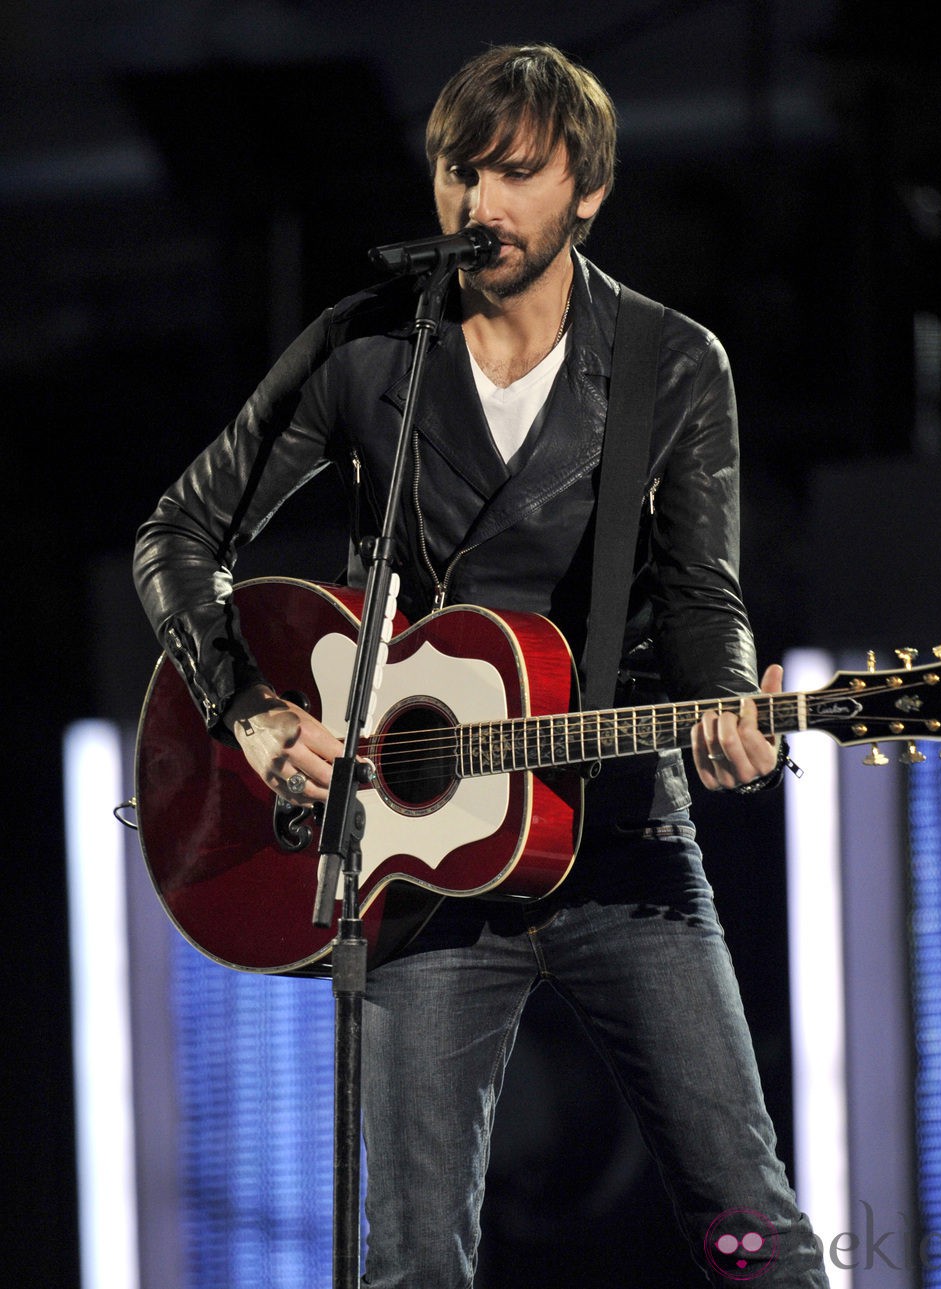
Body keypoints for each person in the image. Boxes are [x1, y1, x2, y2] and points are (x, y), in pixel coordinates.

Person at [134, 43, 829, 1288]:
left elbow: (698, 597)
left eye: (518, 173)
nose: (480, 206)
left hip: (616, 841)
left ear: (587, 191)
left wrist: (731, 708)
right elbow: (180, 532)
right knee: (409, 1261)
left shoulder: (671, 365)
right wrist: (244, 705)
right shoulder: (365, 351)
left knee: (751, 1229)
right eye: (462, 172)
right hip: (421, 869)